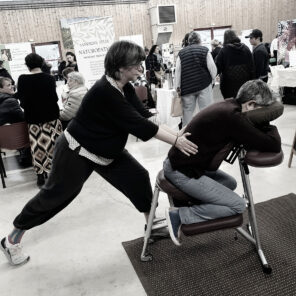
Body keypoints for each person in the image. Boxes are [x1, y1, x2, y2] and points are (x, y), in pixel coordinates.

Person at [0, 41, 198, 266]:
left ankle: (151, 224)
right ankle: (11, 239)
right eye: (135, 66)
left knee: (138, 176)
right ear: (120, 67)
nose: (140, 70)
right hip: (77, 151)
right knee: (56, 196)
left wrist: (176, 133)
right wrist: (176, 141)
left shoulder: (125, 87)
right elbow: (141, 127)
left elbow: (145, 116)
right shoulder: (105, 91)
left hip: (105, 151)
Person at [163, 80, 281, 245]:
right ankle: (179, 215)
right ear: (251, 104)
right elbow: (273, 145)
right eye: (263, 110)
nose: (264, 113)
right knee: (238, 206)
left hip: (188, 165)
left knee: (229, 183)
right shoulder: (233, 117)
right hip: (181, 172)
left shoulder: (229, 105)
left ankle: (195, 203)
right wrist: (268, 121)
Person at [15, 53, 62, 187]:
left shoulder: (22, 79)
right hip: (51, 117)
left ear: (27, 65)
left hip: (34, 119)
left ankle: (40, 175)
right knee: (55, 145)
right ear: (41, 63)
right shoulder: (49, 78)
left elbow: (22, 102)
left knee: (37, 146)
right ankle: (57, 172)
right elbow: (54, 99)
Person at [174, 31, 217, 127]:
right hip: (204, 85)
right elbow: (212, 68)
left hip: (187, 88)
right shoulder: (204, 50)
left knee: (187, 113)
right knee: (206, 111)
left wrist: (177, 87)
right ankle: (208, 132)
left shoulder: (181, 53)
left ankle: (187, 135)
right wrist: (213, 80)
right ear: (199, 40)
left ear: (188, 41)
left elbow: (178, 71)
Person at [215, 29, 255, 99]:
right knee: (244, 104)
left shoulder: (224, 51)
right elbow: (252, 67)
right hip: (245, 84)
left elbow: (217, 68)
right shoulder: (246, 48)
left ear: (225, 38)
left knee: (231, 106)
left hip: (229, 86)